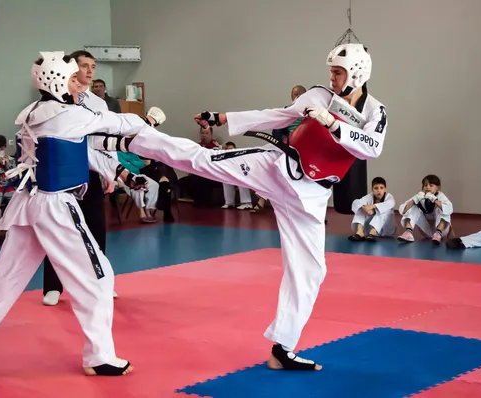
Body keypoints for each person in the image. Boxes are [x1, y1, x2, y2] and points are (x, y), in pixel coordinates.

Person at [91, 42, 388, 370]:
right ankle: (132, 136)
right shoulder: (318, 96)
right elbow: (277, 115)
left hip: (313, 197)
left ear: (357, 73)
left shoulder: (376, 111)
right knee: (205, 159)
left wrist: (334, 125)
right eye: (331, 71)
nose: (331, 77)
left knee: (311, 270)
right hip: (279, 169)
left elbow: (372, 147)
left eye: (337, 72)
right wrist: (222, 118)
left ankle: (283, 349)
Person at [0, 51, 166, 375]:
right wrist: (148, 121)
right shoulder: (67, 115)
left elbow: (86, 149)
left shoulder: (34, 112)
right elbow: (117, 126)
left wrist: (119, 173)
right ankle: (99, 356)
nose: (81, 84)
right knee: (99, 276)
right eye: (75, 78)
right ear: (60, 81)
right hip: (55, 205)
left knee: (0, 280)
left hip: (29, 204)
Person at [42, 50, 129, 306]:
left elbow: (107, 141)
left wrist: (110, 171)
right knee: (60, 228)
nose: (90, 71)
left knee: (95, 227)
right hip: (63, 171)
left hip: (92, 171)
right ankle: (53, 287)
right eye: (84, 66)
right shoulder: (57, 99)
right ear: (72, 69)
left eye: (93, 66)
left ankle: (99, 283)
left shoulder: (99, 103)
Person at [396, 174, 453, 245]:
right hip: (426, 231)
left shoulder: (440, 196)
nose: (427, 187)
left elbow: (449, 209)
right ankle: (408, 232)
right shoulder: (420, 196)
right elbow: (402, 210)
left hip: (442, 232)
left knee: (442, 208)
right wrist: (414, 200)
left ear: (437, 187)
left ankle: (438, 233)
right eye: (425, 185)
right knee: (413, 206)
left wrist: (434, 200)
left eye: (431, 185)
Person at [348, 177, 396, 242]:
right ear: (372, 189)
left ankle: (373, 233)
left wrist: (372, 207)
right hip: (369, 229)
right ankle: (360, 232)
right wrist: (364, 208)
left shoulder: (389, 197)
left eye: (381, 188)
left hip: (386, 229)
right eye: (376, 188)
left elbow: (390, 204)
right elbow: (356, 202)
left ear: (385, 189)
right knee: (360, 207)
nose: (379, 190)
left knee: (386, 210)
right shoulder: (369, 197)